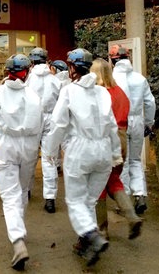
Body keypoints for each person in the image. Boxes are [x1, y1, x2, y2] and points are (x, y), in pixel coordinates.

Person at [44, 48, 121, 267]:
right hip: (104, 151)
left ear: (72, 68)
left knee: (76, 200)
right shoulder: (103, 92)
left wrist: (50, 152)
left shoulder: (69, 92)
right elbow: (112, 127)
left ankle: (92, 236)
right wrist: (115, 154)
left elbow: (58, 124)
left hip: (80, 149)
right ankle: (85, 243)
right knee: (89, 199)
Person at [0, 54, 43, 270]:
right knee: (23, 189)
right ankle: (20, 230)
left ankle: (18, 241)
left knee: (9, 195)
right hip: (28, 145)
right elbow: (40, 123)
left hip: (6, 144)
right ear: (26, 72)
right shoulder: (33, 95)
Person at [90, 58, 142, 240]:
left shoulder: (99, 94)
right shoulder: (119, 92)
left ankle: (102, 229)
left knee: (98, 185)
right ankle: (132, 216)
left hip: (106, 140)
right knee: (113, 180)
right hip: (122, 138)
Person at [110, 45, 156, 214]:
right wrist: (149, 123)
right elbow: (150, 102)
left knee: (122, 162)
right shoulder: (139, 78)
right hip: (137, 121)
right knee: (136, 160)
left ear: (113, 60)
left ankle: (124, 202)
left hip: (118, 123)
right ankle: (140, 194)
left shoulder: (111, 79)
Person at [25, 47, 62, 214]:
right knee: (49, 159)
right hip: (51, 119)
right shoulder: (55, 80)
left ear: (32, 61)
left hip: (33, 119)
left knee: (29, 158)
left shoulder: (28, 79)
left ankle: (26, 190)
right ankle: (50, 199)